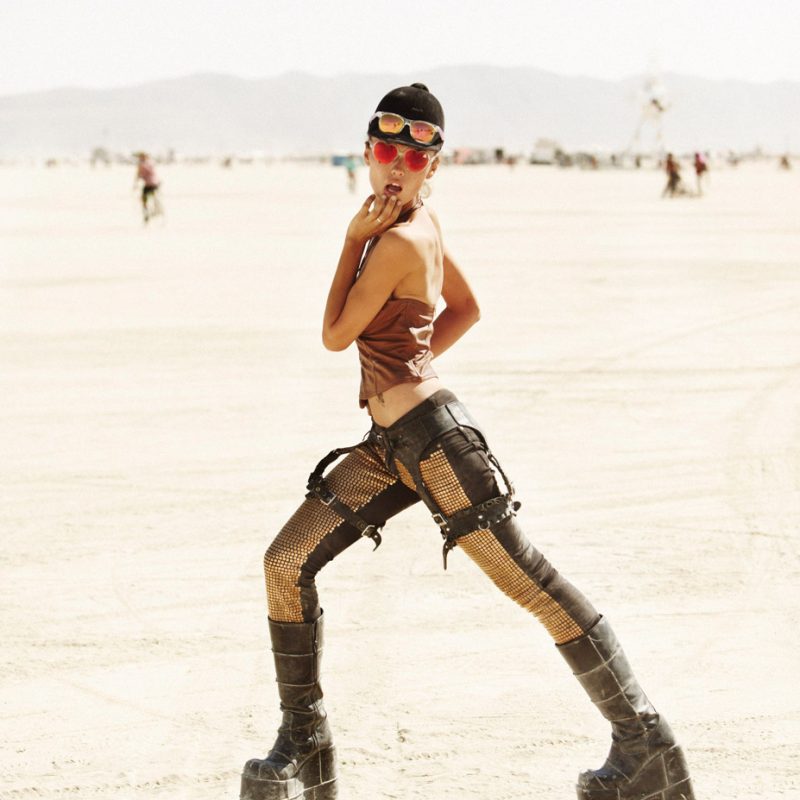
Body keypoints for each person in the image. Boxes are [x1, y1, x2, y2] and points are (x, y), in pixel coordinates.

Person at [240, 83, 696, 800]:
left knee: (530, 584)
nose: (396, 168)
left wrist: (352, 241)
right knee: (286, 560)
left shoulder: (393, 241)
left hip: (435, 448)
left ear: (434, 164)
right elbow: (467, 308)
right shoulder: (423, 224)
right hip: (390, 447)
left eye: (413, 158)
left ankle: (646, 742)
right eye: (386, 151)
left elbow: (334, 335)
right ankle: (304, 740)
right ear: (368, 152)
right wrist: (410, 366)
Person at [133, 152, 162, 223]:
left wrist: (136, 184)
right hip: (156, 183)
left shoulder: (142, 165)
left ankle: (147, 213)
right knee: (154, 197)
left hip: (149, 184)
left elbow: (139, 175)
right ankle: (156, 209)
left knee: (144, 199)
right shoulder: (151, 163)